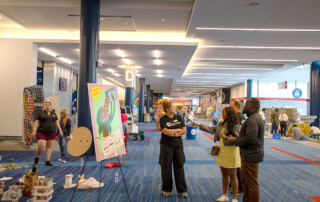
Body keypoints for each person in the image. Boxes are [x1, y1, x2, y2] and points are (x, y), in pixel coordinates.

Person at [192, 107, 241, 202]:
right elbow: (211, 129)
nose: (221, 114)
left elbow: (238, 138)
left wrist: (226, 136)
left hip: (232, 151)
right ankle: (225, 195)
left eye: (223, 112)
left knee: (233, 175)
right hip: (222, 151)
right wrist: (198, 124)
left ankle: (234, 198)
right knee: (224, 174)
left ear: (229, 113)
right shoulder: (221, 123)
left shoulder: (236, 124)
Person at [227, 98, 265, 202]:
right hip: (250, 154)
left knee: (251, 183)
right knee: (246, 182)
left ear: (252, 106)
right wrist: (237, 139)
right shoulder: (254, 117)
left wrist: (235, 141)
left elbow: (250, 138)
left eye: (246, 104)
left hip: (251, 155)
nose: (244, 107)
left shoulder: (252, 119)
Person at [159, 101, 188, 198]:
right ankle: (167, 189)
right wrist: (177, 130)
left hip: (178, 145)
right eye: (172, 107)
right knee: (166, 167)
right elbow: (165, 131)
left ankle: (182, 190)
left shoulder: (179, 117)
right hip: (166, 145)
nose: (174, 108)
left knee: (179, 166)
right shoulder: (163, 119)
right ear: (167, 109)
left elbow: (184, 130)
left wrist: (174, 133)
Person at [32, 102, 63, 166]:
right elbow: (36, 123)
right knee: (41, 145)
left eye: (49, 105)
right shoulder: (41, 114)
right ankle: (37, 157)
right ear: (44, 106)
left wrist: (60, 130)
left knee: (49, 147)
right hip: (41, 132)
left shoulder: (54, 114)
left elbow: (57, 123)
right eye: (46, 105)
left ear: (51, 106)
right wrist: (34, 131)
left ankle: (47, 161)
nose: (47, 106)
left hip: (52, 132)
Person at [229, 100, 244, 195]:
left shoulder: (238, 117)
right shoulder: (238, 117)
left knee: (237, 166)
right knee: (234, 166)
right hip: (237, 144)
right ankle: (233, 184)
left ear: (236, 108)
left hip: (238, 145)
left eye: (231, 107)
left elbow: (239, 133)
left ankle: (240, 188)